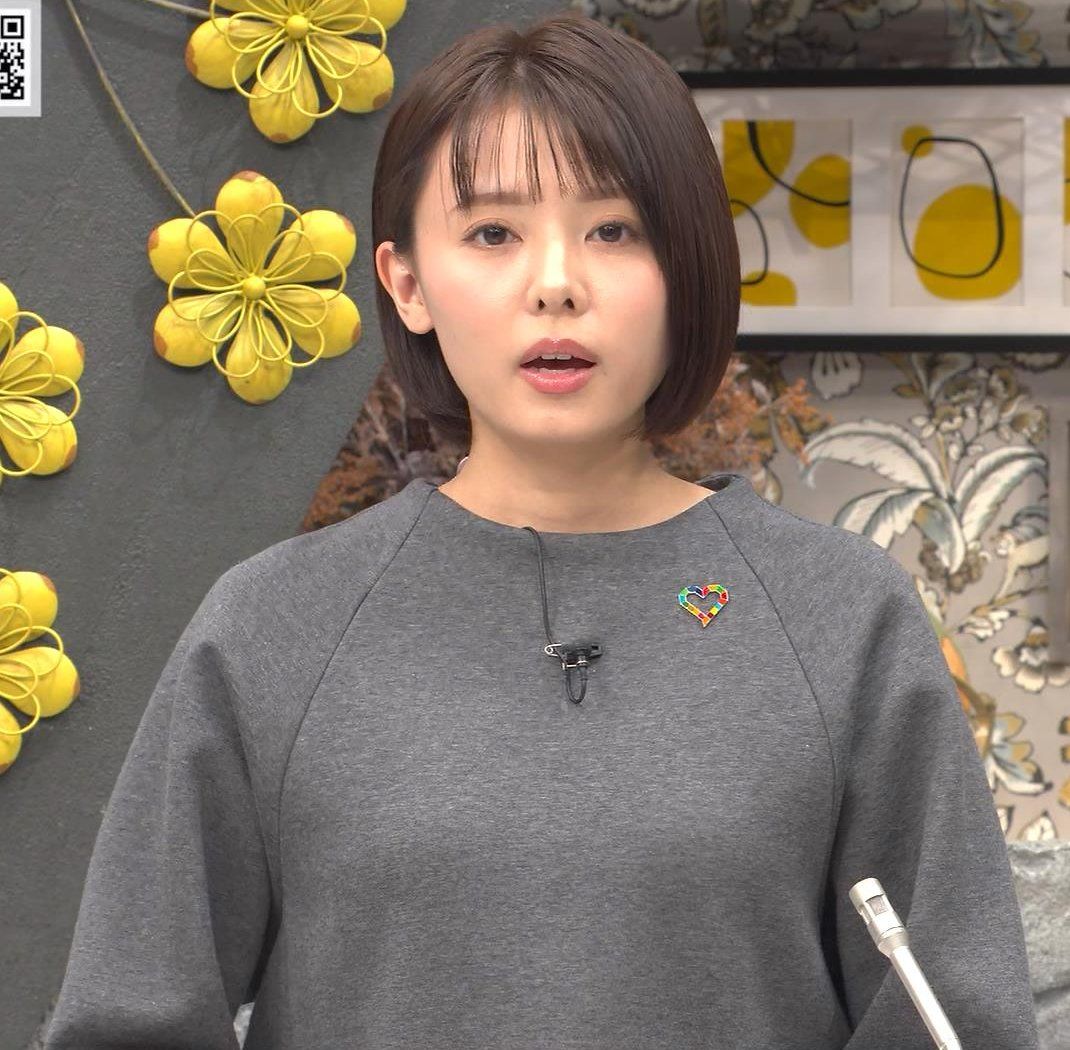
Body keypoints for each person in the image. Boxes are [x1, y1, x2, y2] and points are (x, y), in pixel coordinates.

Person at [44, 11, 1039, 1050]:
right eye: (492, 234)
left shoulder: (840, 617)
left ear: (689, 271)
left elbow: (955, 1022)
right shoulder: (272, 626)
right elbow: (130, 1022)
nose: (556, 283)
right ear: (406, 283)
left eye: (615, 230)